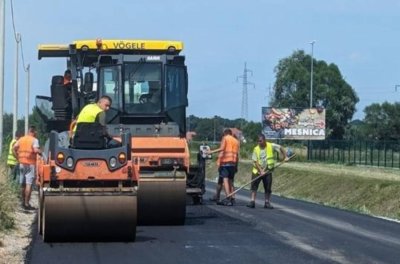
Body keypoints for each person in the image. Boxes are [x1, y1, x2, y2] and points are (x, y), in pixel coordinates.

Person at [247, 134, 288, 209]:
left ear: (264, 140)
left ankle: (267, 202)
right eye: (258, 141)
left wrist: (285, 157)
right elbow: (255, 161)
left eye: (261, 141)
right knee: (254, 186)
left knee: (268, 187)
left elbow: (281, 147)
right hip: (257, 171)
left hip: (268, 170)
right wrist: (261, 171)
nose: (259, 142)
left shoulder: (271, 145)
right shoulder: (256, 149)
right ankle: (252, 201)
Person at [207, 128, 239, 206]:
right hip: (233, 163)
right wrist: (236, 166)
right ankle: (232, 197)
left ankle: (228, 198)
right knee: (230, 181)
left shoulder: (225, 138)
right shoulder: (236, 141)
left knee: (225, 181)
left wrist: (211, 152)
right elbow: (237, 154)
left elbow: (222, 149)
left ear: (225, 133)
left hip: (225, 163)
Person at [13, 126, 41, 210]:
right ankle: (26, 203)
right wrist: (41, 151)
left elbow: (14, 148)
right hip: (30, 164)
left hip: (21, 163)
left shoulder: (21, 139)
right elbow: (35, 150)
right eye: (35, 132)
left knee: (22, 183)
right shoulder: (34, 140)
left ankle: (22, 203)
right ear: (33, 132)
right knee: (28, 184)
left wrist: (17, 157)